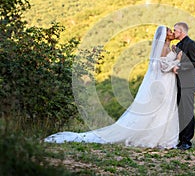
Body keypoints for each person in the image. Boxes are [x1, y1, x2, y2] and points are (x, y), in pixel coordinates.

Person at [44, 26, 182, 149]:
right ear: (164, 35)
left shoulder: (169, 47)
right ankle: (153, 136)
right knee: (158, 109)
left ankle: (164, 136)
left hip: (169, 81)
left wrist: (176, 58)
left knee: (166, 108)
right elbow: (161, 66)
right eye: (169, 31)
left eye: (171, 30)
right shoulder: (163, 48)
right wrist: (177, 62)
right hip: (162, 81)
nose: (171, 32)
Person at [172, 22, 195, 150]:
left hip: (188, 83)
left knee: (188, 111)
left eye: (175, 30)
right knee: (180, 112)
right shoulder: (178, 45)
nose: (173, 33)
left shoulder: (192, 44)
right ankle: (181, 139)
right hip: (178, 82)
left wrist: (180, 67)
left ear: (181, 31)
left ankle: (187, 141)